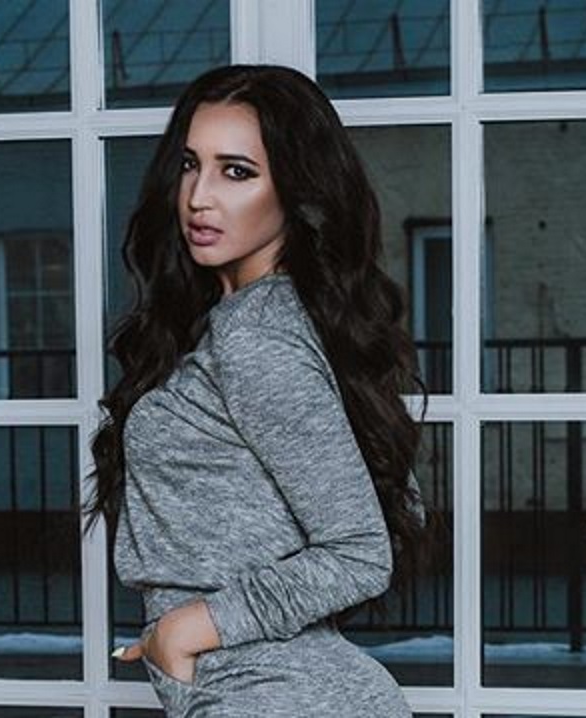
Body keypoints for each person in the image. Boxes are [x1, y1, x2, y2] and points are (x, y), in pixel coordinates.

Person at [82, 64, 438, 717]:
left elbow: (359, 553)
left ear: (296, 191)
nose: (199, 196)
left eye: (237, 171)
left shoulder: (257, 340)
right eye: (190, 165)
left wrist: (186, 629)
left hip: (279, 696)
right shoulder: (244, 325)